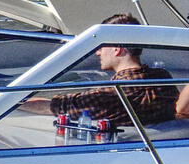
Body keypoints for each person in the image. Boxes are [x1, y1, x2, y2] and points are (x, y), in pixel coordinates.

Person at [21, 13, 178, 125]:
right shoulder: (164, 79)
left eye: (101, 46)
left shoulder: (110, 94)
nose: (97, 52)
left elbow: (55, 107)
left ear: (117, 49)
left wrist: (6, 100)